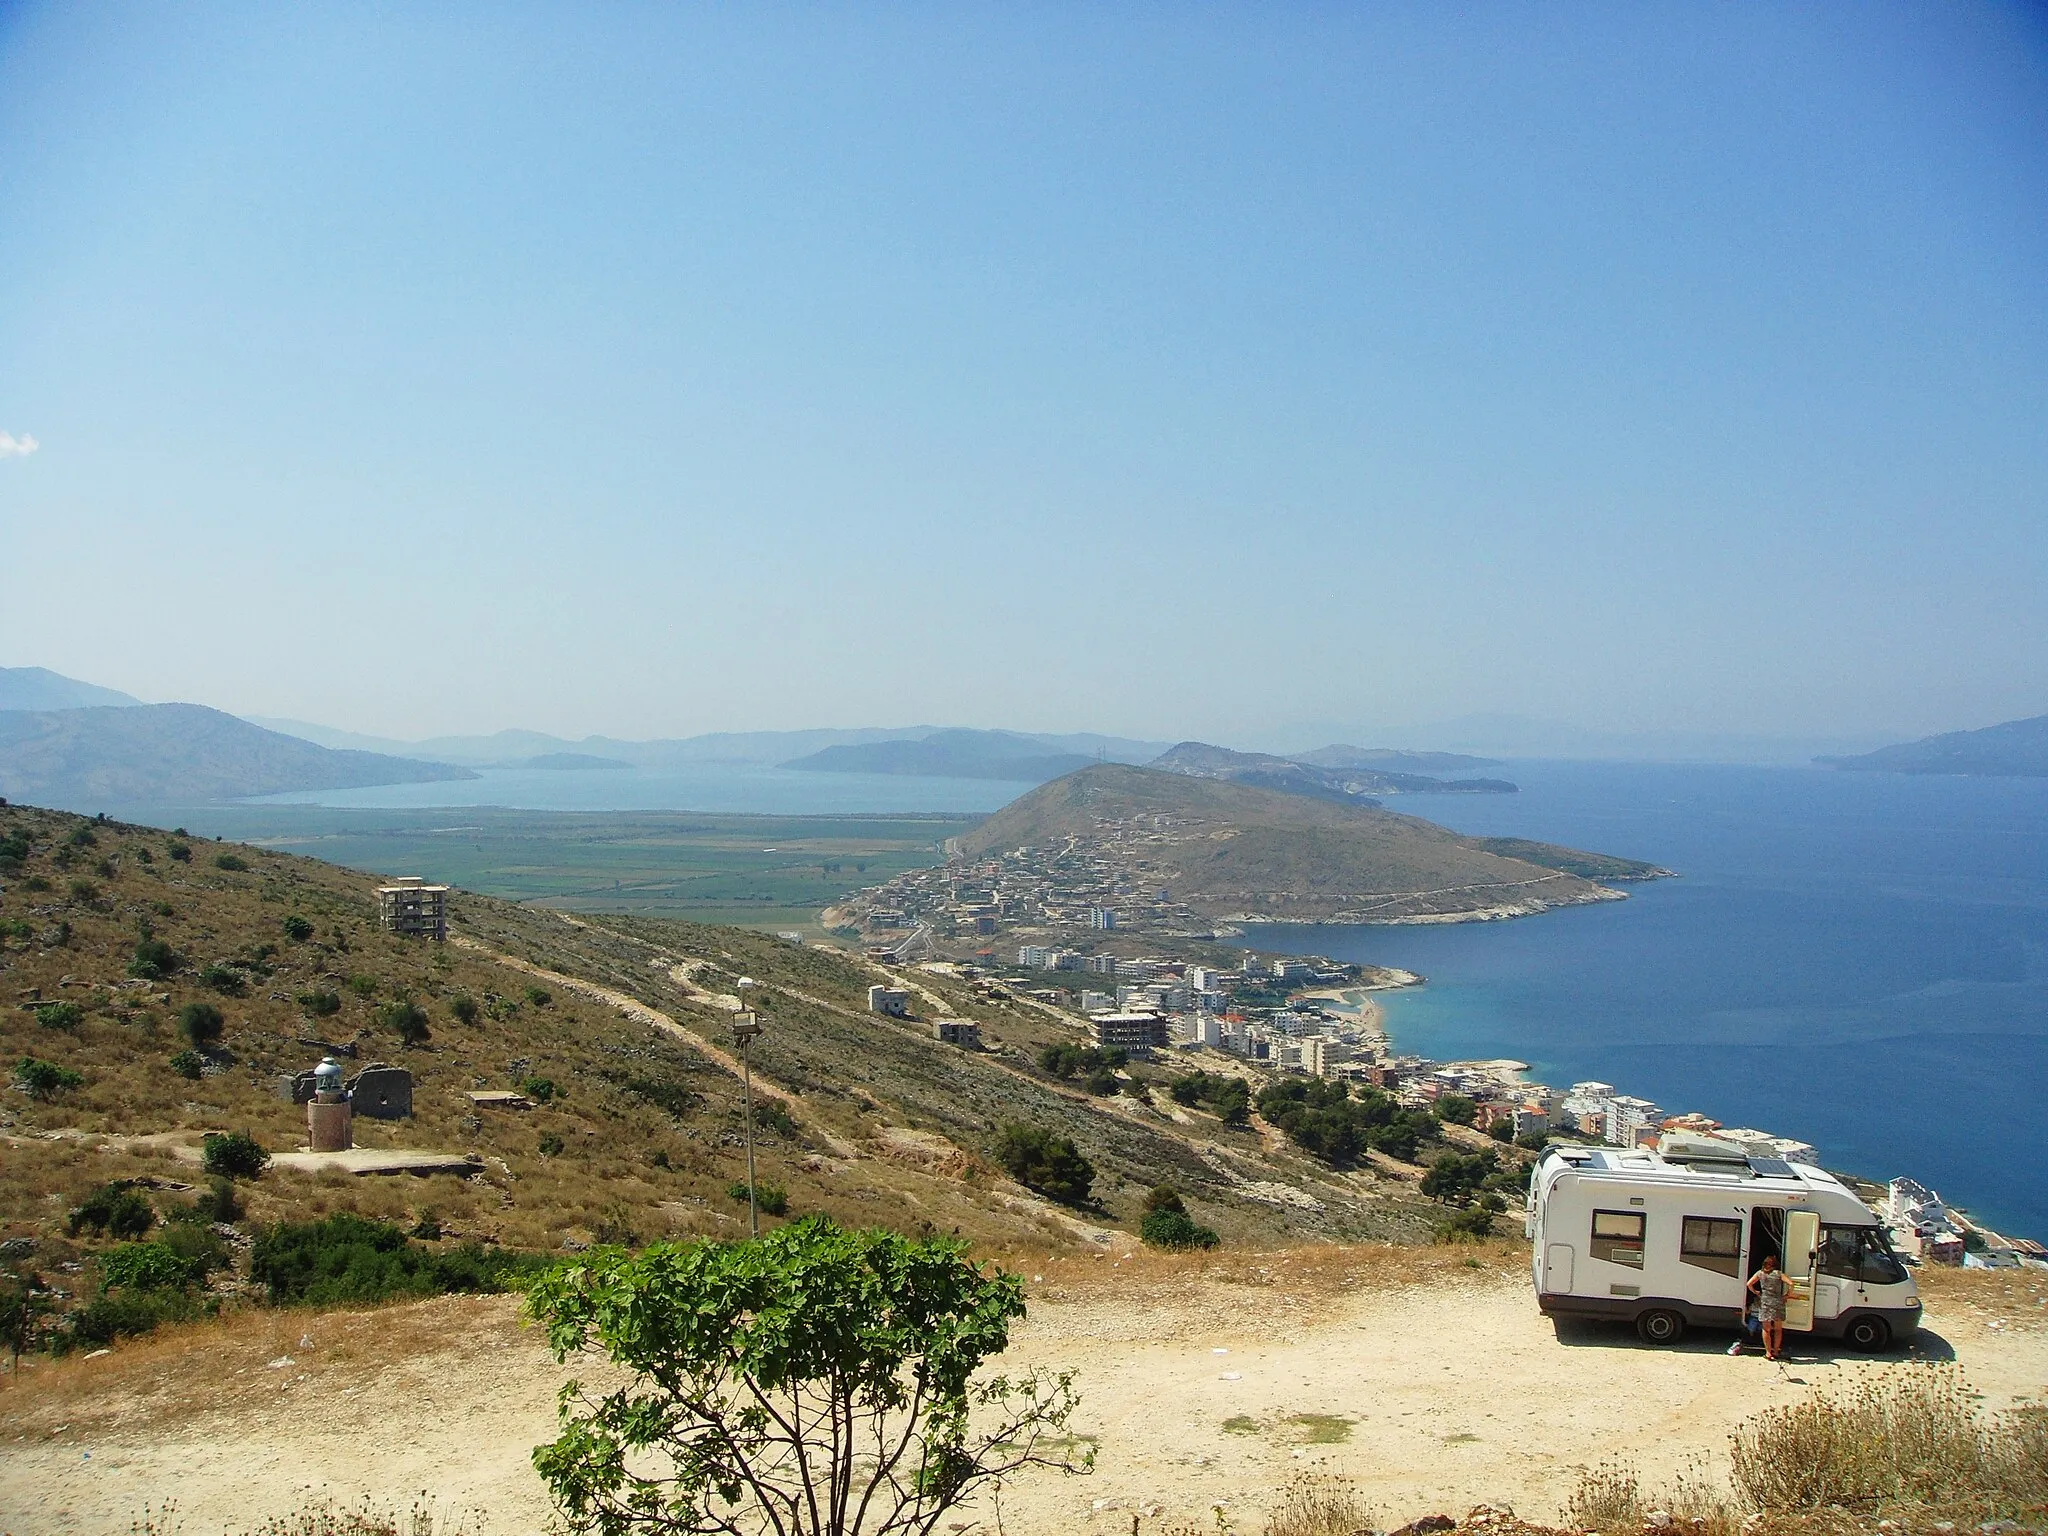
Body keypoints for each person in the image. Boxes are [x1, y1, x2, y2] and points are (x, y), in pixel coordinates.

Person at [1747, 1254, 1789, 1361]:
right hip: (1778, 1302)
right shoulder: (1779, 1274)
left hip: (1765, 1301)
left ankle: (1768, 1352)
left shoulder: (1760, 1273)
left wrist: (1756, 1292)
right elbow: (1791, 1283)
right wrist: (1787, 1295)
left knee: (1766, 1329)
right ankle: (1776, 1351)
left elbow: (1749, 1284)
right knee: (1778, 1329)